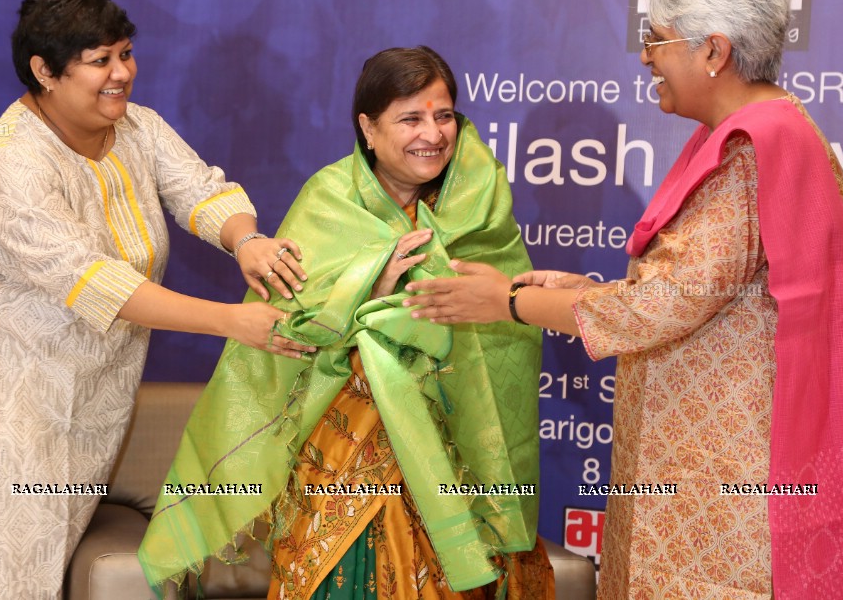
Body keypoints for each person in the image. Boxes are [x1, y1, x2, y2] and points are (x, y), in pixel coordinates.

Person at [404, 0, 843, 599]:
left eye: (655, 41)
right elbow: (700, 295)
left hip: (719, 497)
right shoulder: (763, 133)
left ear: (712, 50)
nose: (646, 58)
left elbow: (659, 307)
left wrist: (504, 301)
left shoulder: (752, 149)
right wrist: (569, 290)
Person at [0, 0, 315, 599]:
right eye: (99, 61)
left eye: (125, 54)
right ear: (44, 71)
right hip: (0, 387)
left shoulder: (136, 127)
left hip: (88, 388)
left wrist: (246, 241)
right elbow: (100, 285)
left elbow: (199, 190)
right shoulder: (7, 163)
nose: (121, 74)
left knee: (41, 564)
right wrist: (232, 322)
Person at [139, 47, 554, 598]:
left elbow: (505, 333)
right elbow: (288, 328)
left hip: (454, 451)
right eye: (410, 118)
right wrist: (367, 293)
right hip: (344, 442)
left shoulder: (478, 202)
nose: (433, 133)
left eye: (444, 115)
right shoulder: (328, 201)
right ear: (368, 128)